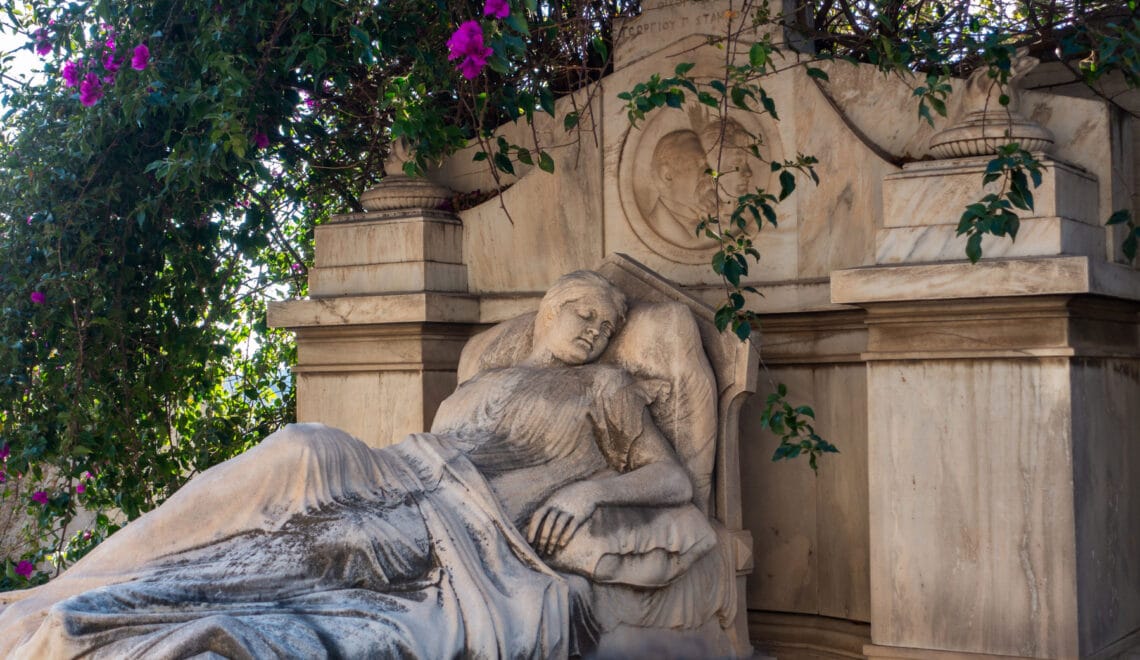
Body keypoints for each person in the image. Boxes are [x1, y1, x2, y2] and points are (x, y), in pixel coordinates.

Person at [0, 271, 706, 659]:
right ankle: (71, 591)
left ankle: (109, 617)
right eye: (581, 312)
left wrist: (588, 492)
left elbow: (670, 477)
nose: (593, 329)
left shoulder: (603, 388)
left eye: (606, 326)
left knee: (320, 545)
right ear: (546, 314)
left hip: (461, 519)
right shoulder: (484, 376)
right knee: (296, 448)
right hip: (395, 468)